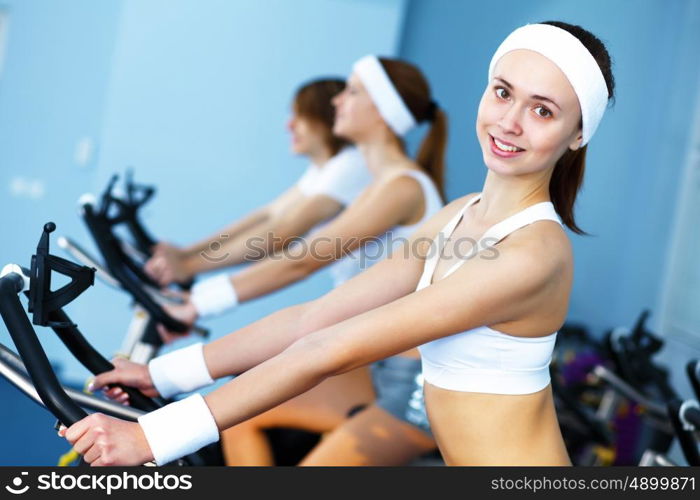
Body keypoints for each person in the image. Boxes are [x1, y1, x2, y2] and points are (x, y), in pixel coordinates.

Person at [62, 20, 614, 466]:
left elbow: (330, 347)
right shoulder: (456, 215)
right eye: (502, 93)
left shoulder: (534, 253)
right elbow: (315, 319)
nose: (510, 122)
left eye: (543, 110)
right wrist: (161, 373)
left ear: (577, 134)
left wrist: (152, 438)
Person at [100, 55, 447, 466]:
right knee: (239, 415)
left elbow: (298, 257)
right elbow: (273, 221)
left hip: (414, 385)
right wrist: (187, 261)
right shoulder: (384, 183)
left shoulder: (401, 188)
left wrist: (198, 292)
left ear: (382, 110)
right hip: (374, 362)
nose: (337, 101)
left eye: (352, 91)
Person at [144, 78, 371, 287]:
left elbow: (282, 232)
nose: (289, 126)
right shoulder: (324, 169)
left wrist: (188, 266)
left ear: (325, 118)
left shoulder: (351, 166)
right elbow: (269, 215)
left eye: (301, 116)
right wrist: (186, 253)